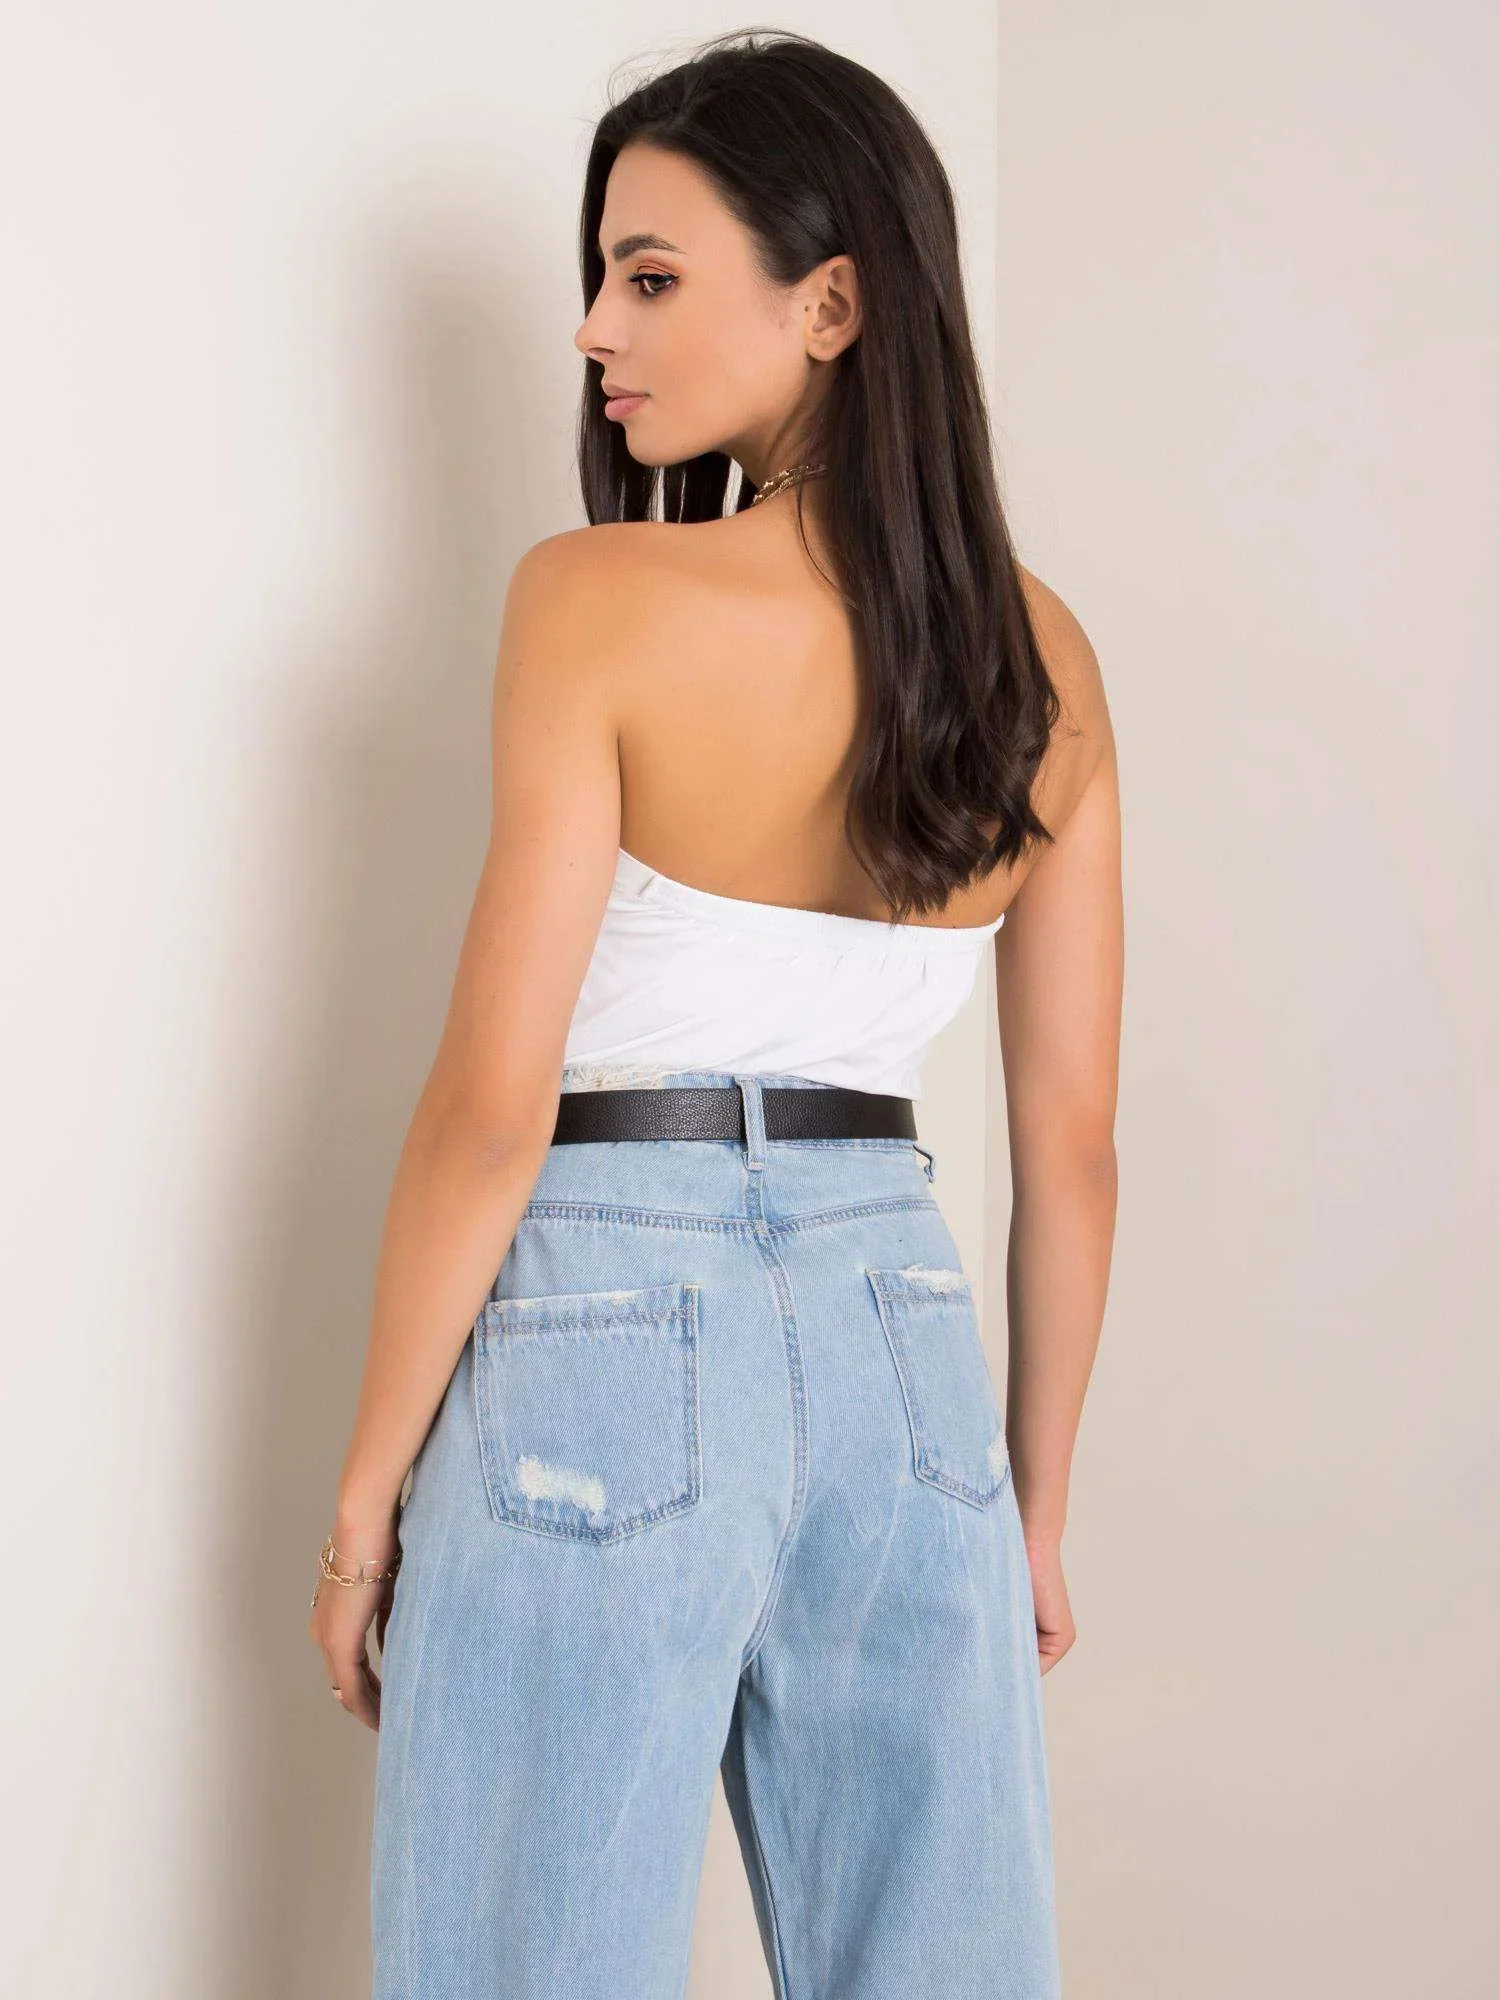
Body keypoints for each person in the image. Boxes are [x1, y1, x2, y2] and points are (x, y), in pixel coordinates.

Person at [309, 28, 1121, 1999]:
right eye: (601, 275)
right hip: (910, 1345)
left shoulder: (597, 599)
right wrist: (1031, 1509)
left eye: (652, 274)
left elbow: (490, 1106)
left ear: (833, 301)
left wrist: (362, 1499)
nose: (597, 327)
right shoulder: (1046, 659)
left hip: (606, 1311)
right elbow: (1073, 1145)